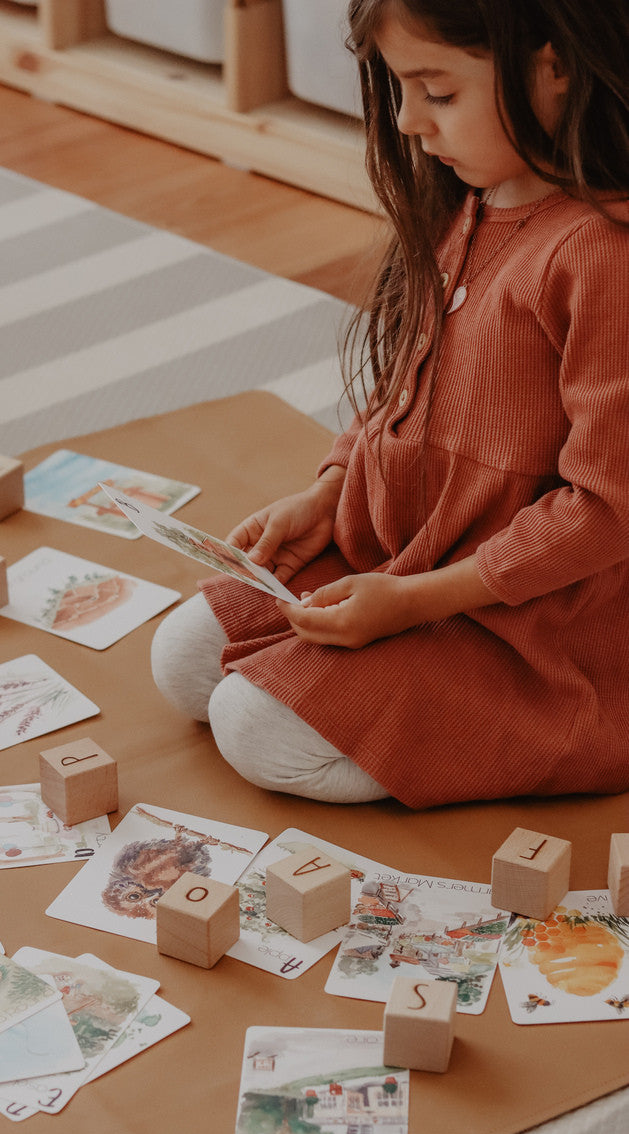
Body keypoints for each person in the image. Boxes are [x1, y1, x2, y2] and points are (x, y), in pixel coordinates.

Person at [151, 0, 629, 809]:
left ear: (554, 67)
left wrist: (414, 602)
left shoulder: (600, 257)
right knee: (183, 659)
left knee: (251, 727)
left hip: (527, 614)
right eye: (399, 90)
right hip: (407, 549)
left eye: (436, 93)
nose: (407, 121)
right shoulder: (473, 198)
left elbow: (607, 510)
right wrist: (329, 492)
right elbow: (408, 380)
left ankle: (575, 732)